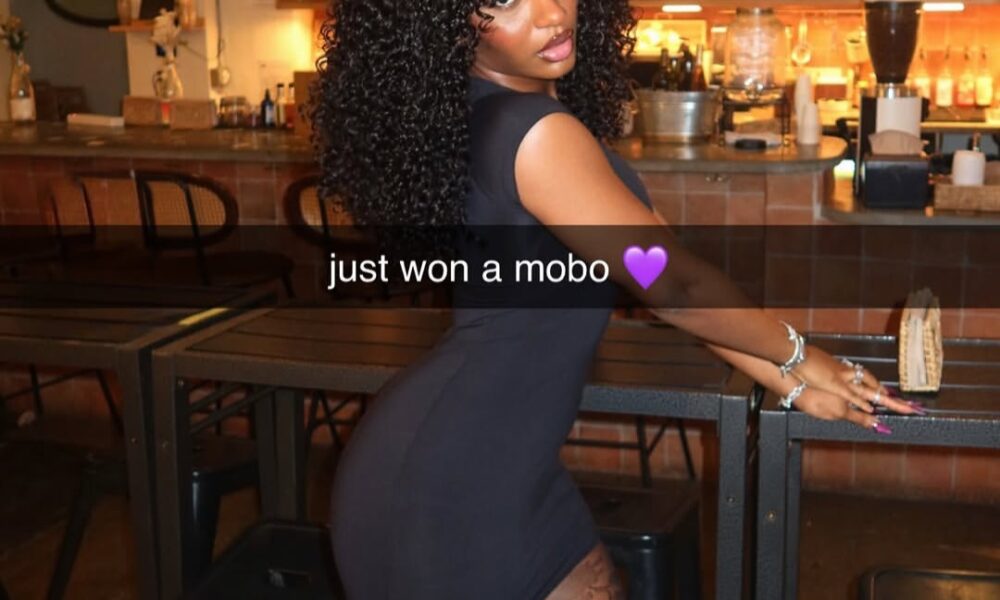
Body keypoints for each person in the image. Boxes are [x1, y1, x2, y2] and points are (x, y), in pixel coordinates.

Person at [312, 1, 921, 598]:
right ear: (444, 21)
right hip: (455, 495)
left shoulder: (499, 114)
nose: (551, 13)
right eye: (503, 2)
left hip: (477, 469)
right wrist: (803, 356)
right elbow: (675, 288)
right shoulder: (533, 132)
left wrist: (790, 383)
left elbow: (656, 273)